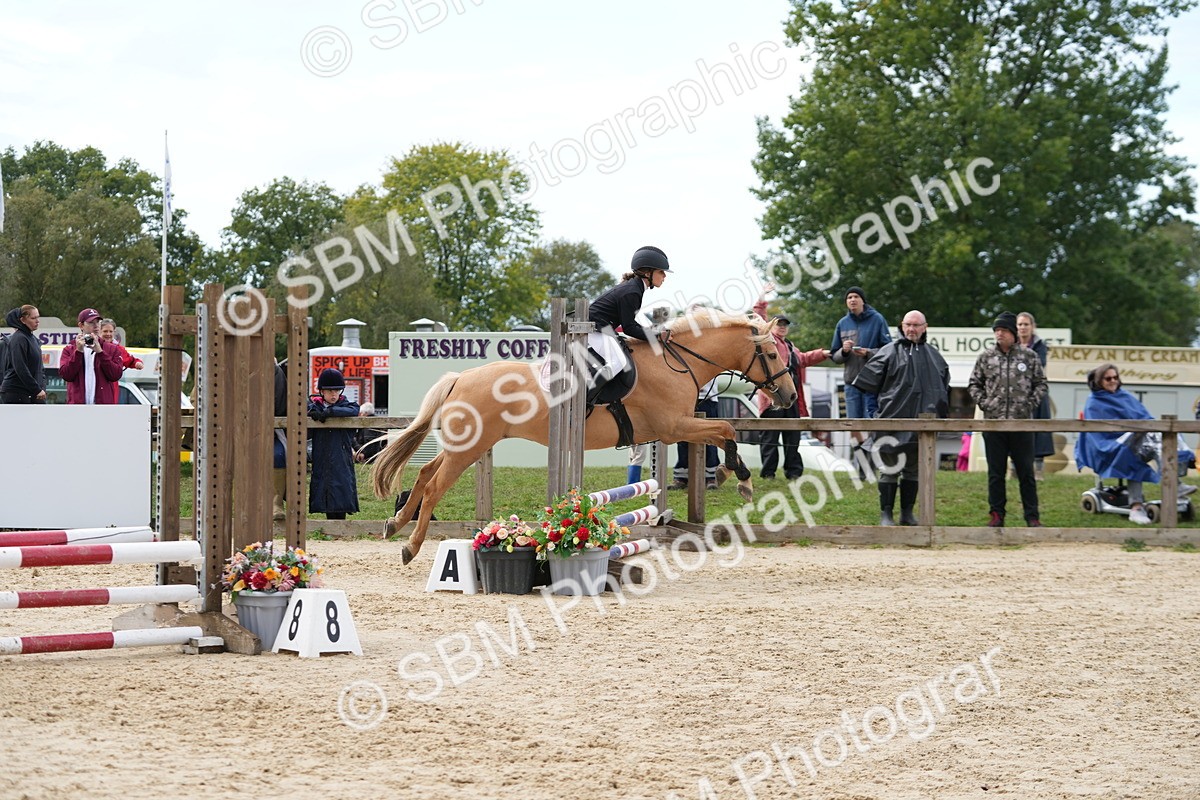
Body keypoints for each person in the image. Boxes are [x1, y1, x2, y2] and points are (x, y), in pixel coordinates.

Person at [852, 310, 950, 525]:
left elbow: (944, 390)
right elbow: (867, 387)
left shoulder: (935, 357)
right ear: (901, 325)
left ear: (925, 327)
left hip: (920, 428)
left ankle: (907, 514)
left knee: (913, 472)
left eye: (916, 325)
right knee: (888, 471)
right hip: (890, 426)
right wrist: (874, 415)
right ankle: (886, 514)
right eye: (908, 325)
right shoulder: (887, 352)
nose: (911, 329)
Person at [1075, 364, 1192, 525]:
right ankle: (1136, 507)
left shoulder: (1125, 396)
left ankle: (1175, 483)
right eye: (1108, 378)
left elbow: (1147, 419)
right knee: (1133, 453)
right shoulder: (1094, 402)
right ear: (1099, 381)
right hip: (1109, 448)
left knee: (1163, 436)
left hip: (1137, 441)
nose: (1113, 381)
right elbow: (1098, 435)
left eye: (1115, 377)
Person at [968, 312, 1047, 527]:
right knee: (996, 474)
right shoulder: (986, 357)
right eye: (996, 330)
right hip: (994, 425)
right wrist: (986, 403)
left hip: (1021, 425)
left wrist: (1029, 405)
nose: (998, 334)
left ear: (1013, 332)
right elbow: (974, 384)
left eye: (1002, 330)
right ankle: (996, 514)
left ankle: (1032, 516)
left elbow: (1041, 384)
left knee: (1026, 474)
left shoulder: (1029, 356)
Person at [754, 283, 830, 480]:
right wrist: (762, 295)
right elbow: (759, 317)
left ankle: (794, 472)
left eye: (785, 325)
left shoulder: (790, 346)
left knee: (793, 436)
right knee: (770, 437)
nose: (782, 327)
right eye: (779, 324)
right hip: (773, 397)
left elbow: (804, 359)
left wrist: (825, 353)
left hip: (792, 396)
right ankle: (768, 473)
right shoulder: (768, 339)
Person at [585, 245, 672, 401]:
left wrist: (654, 333)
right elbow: (629, 328)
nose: (664, 276)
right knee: (617, 363)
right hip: (593, 328)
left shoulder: (635, 288)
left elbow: (630, 324)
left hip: (601, 327)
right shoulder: (632, 291)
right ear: (647, 273)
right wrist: (656, 336)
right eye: (661, 271)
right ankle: (583, 401)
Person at [829, 286, 891, 458]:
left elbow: (889, 351)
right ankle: (861, 463)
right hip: (851, 384)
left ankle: (873, 460)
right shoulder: (842, 323)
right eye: (849, 297)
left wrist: (868, 353)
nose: (852, 300)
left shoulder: (878, 319)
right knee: (852, 424)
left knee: (871, 423)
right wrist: (844, 351)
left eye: (856, 296)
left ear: (863, 300)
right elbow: (835, 356)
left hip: (872, 383)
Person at [307, 368, 360, 520]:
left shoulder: (348, 406)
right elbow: (308, 410)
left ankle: (340, 521)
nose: (333, 394)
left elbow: (353, 410)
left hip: (340, 455)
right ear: (322, 392)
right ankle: (330, 521)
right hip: (322, 455)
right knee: (324, 487)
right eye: (329, 391)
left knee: (341, 486)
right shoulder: (315, 407)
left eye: (337, 390)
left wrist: (329, 412)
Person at [1017, 312, 1054, 480]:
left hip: (1036, 393)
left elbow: (1038, 366)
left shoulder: (1040, 345)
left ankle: (1038, 471)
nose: (1023, 328)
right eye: (1020, 324)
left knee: (1039, 430)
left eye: (1026, 324)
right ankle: (1014, 469)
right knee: (1015, 431)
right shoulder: (1012, 344)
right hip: (1015, 394)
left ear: (1032, 327)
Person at [59, 308, 124, 405]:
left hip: (102, 408)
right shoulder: (69, 349)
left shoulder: (112, 349)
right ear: (81, 325)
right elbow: (66, 375)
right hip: (78, 408)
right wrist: (78, 352)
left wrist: (100, 353)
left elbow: (116, 375)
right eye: (91, 323)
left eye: (97, 322)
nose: (96, 326)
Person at [668, 377, 722, 490]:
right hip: (684, 396)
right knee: (682, 437)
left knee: (710, 436)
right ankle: (682, 476)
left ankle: (711, 477)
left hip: (707, 397)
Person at [1, 305, 47, 404]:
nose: (37, 321)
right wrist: (37, 389)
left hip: (31, 392)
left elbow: (39, 368)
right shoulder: (19, 338)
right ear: (22, 320)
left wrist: (41, 386)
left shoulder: (32, 339)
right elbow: (20, 367)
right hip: (16, 392)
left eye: (38, 317)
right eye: (33, 318)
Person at [99, 318, 144, 403]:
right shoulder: (93, 346)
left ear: (114, 332)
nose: (108, 334)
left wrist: (137, 363)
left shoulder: (118, 349)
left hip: (111, 389)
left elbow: (130, 360)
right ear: (99, 331)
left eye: (110, 331)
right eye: (105, 331)